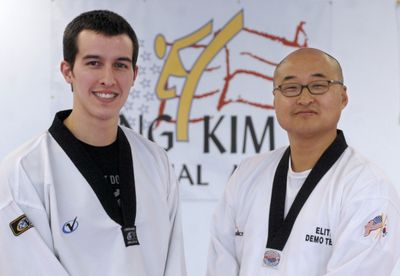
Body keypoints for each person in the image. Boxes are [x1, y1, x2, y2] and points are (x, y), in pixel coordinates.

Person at [0, 10, 186, 276]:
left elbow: (174, 263)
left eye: (120, 65)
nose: (108, 79)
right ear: (67, 71)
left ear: (134, 74)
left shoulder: (156, 161)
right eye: (94, 63)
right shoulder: (23, 171)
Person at [206, 48, 400, 275]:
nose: (305, 98)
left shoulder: (366, 188)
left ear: (343, 97)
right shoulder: (247, 174)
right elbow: (220, 264)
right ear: (274, 100)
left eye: (319, 86)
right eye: (291, 88)